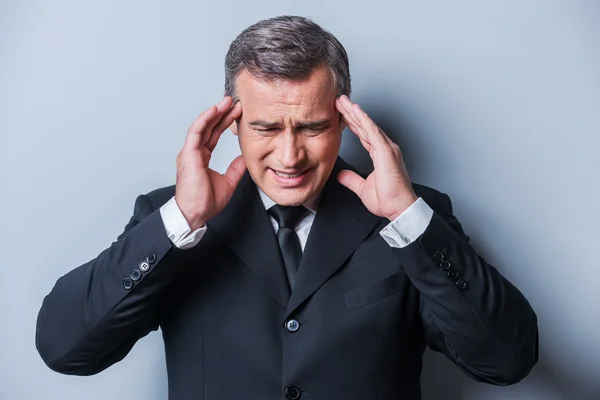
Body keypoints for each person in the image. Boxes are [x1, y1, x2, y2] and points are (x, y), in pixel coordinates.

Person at [35, 15, 538, 400]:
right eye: (267, 128)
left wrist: (406, 216)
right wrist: (180, 220)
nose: (290, 155)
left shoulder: (413, 217)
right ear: (231, 122)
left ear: (345, 120)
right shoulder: (169, 219)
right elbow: (65, 348)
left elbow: (506, 360)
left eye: (312, 127)